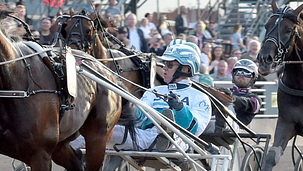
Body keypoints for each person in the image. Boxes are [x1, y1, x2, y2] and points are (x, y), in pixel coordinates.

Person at [72, 40, 211, 152]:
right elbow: (139, 120)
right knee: (96, 132)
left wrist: (180, 110)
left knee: (172, 135)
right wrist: (124, 98)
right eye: (164, 64)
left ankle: (166, 134)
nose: (164, 68)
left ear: (185, 69)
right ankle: (62, 143)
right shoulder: (155, 91)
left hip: (179, 141)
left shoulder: (200, 97)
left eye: (169, 65)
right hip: (143, 136)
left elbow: (194, 130)